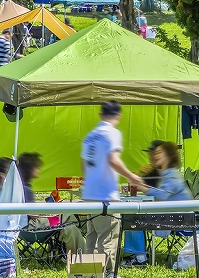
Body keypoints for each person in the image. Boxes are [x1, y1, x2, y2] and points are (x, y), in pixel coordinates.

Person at [81, 102, 148, 274]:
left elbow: (84, 165)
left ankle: (89, 273)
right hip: (106, 196)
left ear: (101, 114)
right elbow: (113, 160)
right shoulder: (112, 133)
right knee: (109, 238)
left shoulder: (89, 136)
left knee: (92, 236)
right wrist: (131, 177)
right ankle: (108, 273)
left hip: (89, 194)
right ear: (118, 116)